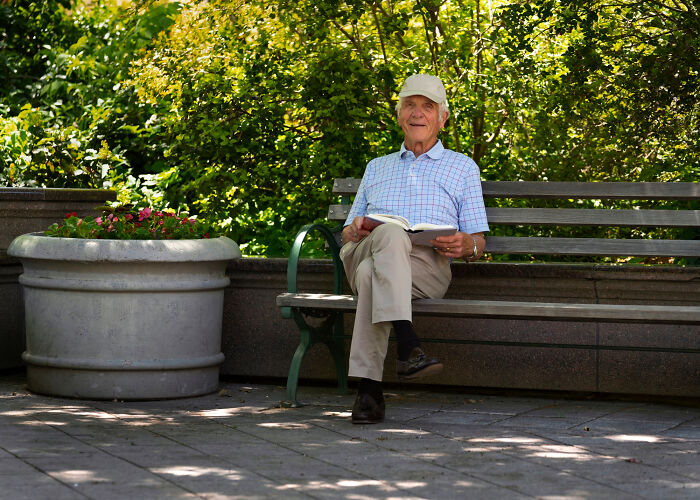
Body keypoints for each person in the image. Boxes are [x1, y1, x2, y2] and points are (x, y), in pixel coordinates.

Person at [339, 74, 489, 424]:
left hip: (426, 267)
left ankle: (369, 390)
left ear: (443, 117)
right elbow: (349, 229)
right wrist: (354, 228)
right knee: (389, 235)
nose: (417, 113)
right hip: (367, 248)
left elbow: (479, 239)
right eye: (410, 105)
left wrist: (468, 245)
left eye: (427, 106)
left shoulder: (462, 167)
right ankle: (408, 344)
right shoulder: (377, 166)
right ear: (398, 115)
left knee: (370, 276)